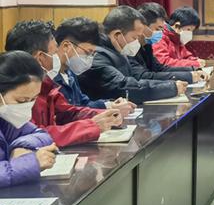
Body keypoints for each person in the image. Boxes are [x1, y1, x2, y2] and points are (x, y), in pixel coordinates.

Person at [5, 21, 123, 147]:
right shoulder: (12, 91)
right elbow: (35, 135)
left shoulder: (46, 84)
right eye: (54, 53)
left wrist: (104, 116)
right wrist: (91, 126)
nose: (58, 56)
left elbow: (68, 112)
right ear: (40, 58)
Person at [78, 6, 188, 103]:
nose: (137, 42)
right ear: (117, 35)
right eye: (134, 37)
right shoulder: (96, 56)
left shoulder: (117, 51)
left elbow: (136, 81)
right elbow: (123, 86)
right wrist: (170, 87)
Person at [53, 17, 135, 116]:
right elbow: (66, 115)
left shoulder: (70, 73)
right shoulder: (50, 77)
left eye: (92, 54)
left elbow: (84, 104)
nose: (90, 58)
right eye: (87, 52)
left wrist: (110, 105)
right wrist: (105, 112)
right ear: (66, 46)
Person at [0, 50, 58, 188]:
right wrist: (32, 163)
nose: (27, 106)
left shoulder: (5, 118)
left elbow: (41, 134)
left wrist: (21, 146)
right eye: (21, 101)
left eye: (33, 100)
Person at [134, 3, 209, 84]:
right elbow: (144, 76)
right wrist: (190, 72)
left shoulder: (147, 45)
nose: (161, 32)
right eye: (158, 29)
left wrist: (192, 69)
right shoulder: (132, 48)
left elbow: (160, 68)